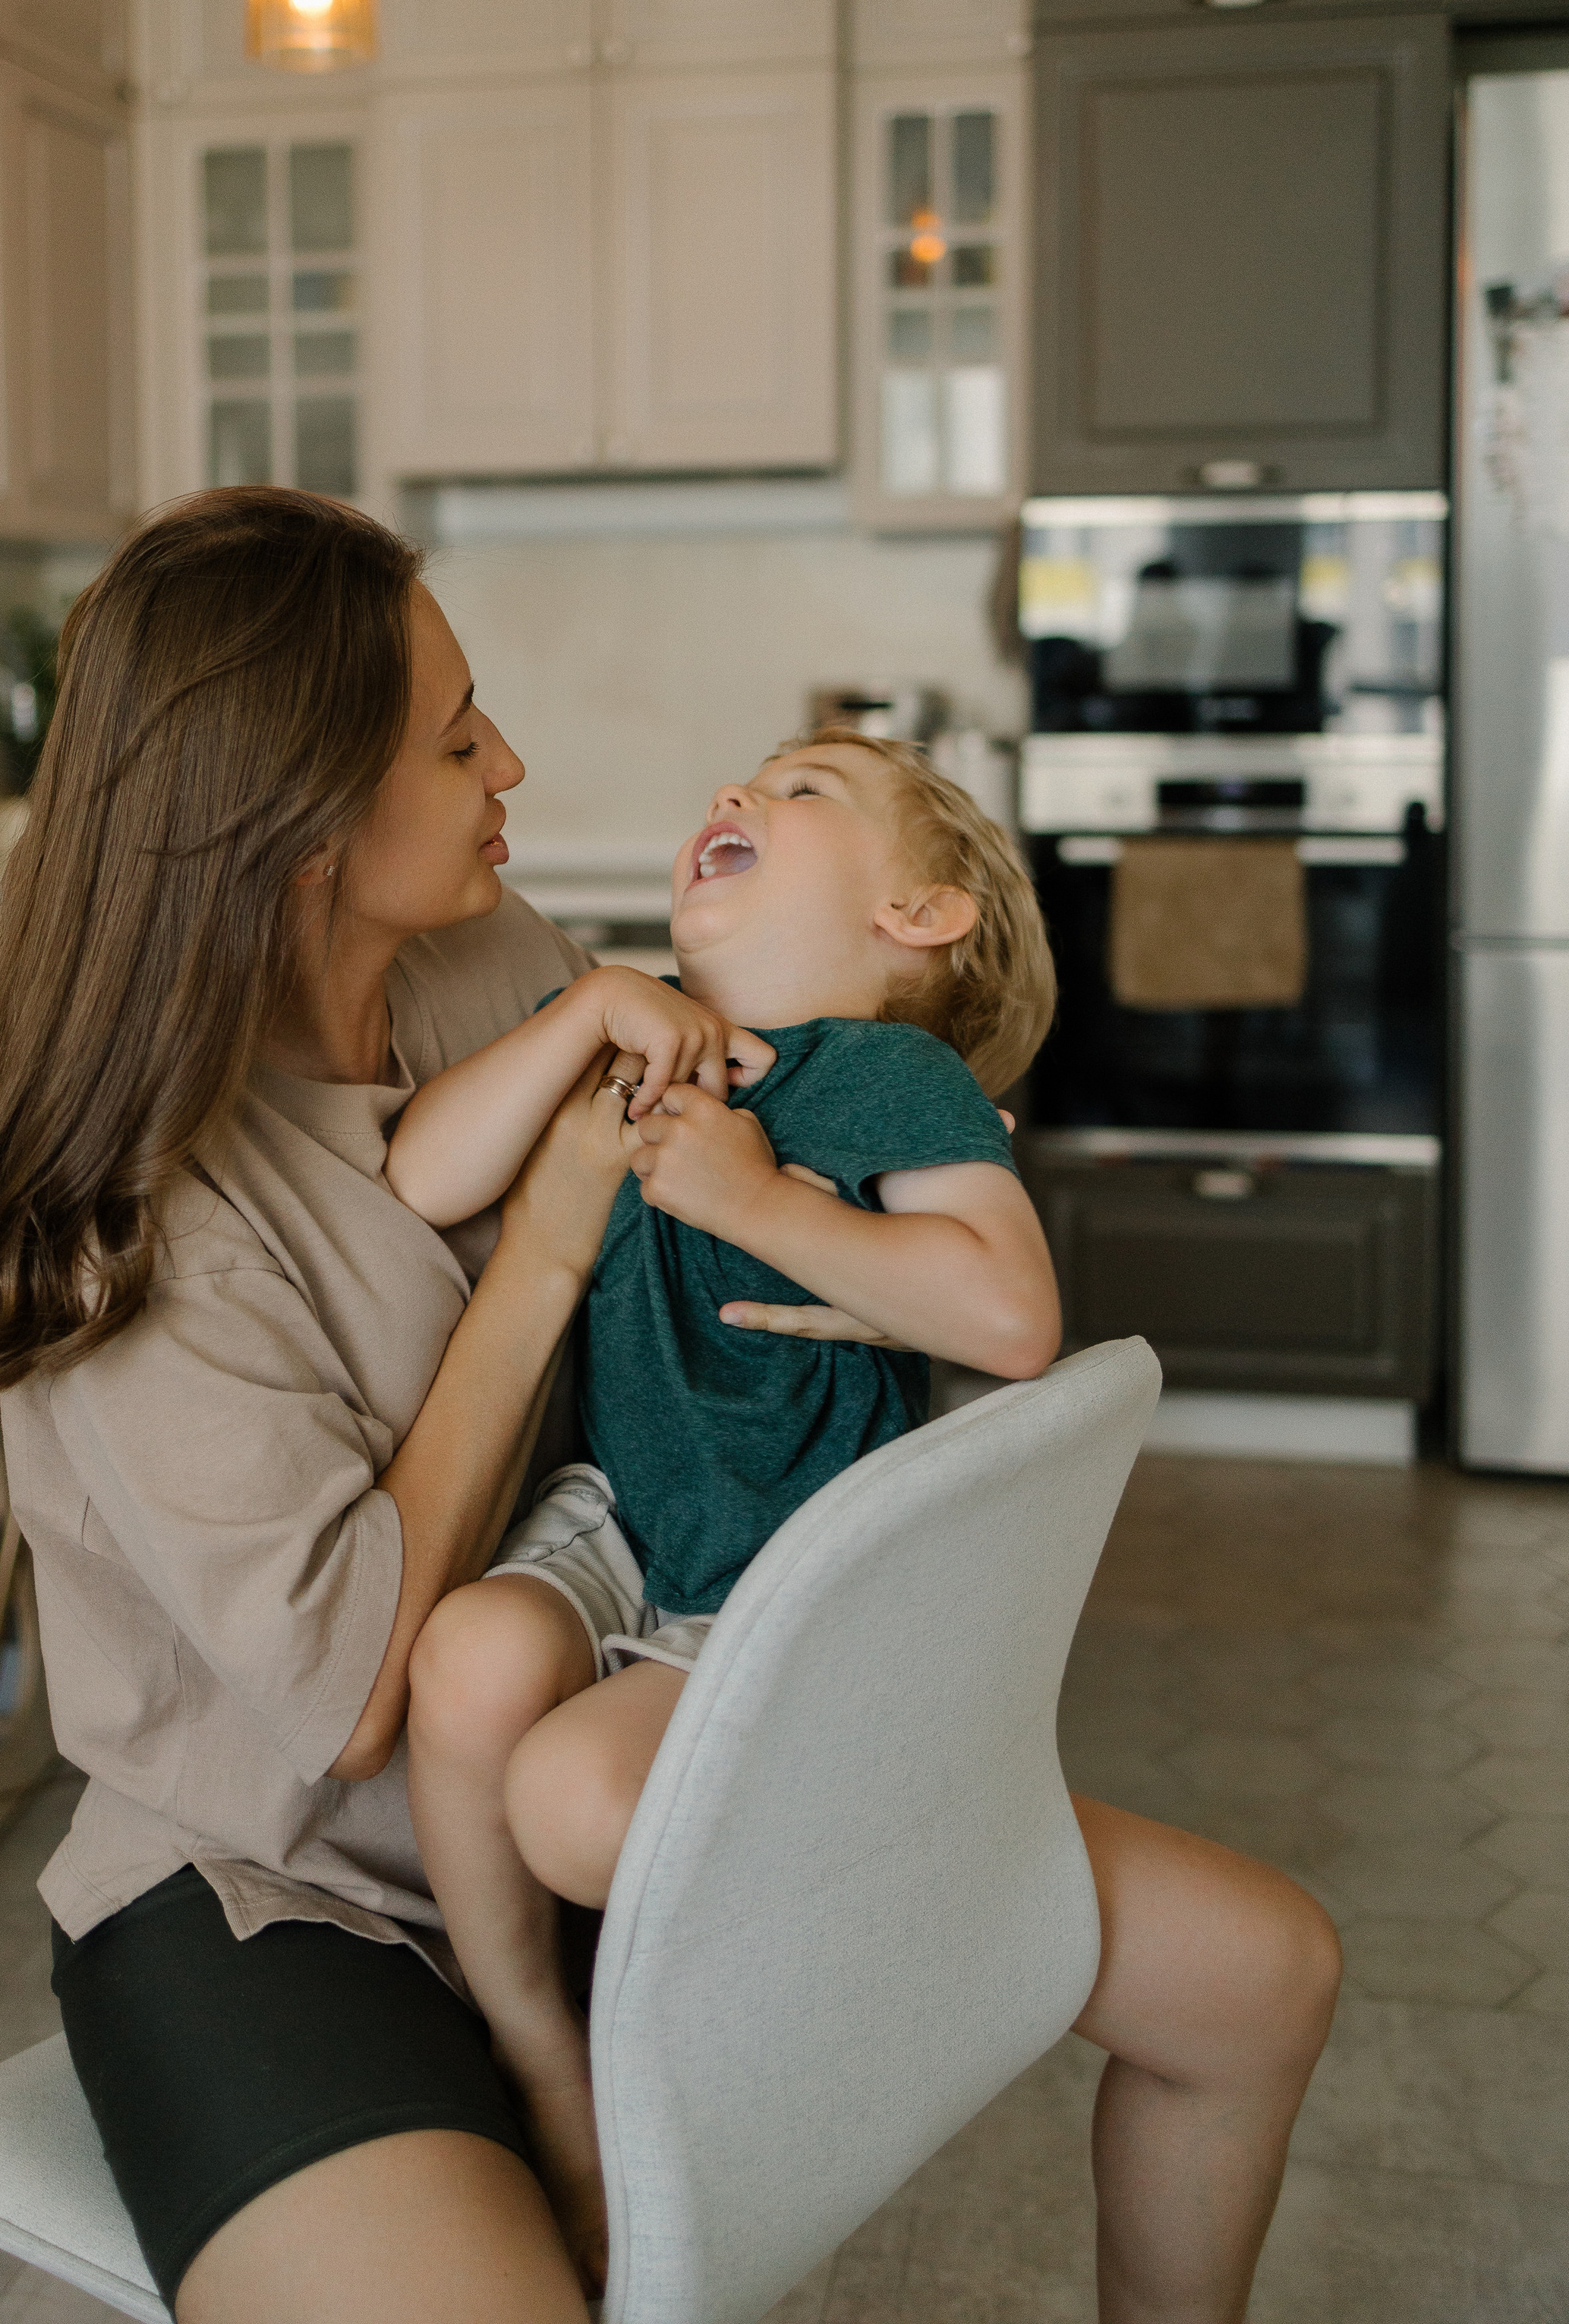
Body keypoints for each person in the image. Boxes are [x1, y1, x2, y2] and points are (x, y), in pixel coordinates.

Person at [0, 488, 1339, 2324]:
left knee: (1256, 1976)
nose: (512, 763)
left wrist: (896, 1172)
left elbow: (782, 1133)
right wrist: (550, 1248)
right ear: (307, 817)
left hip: (651, 1752)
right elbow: (342, 1699)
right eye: (457, 733)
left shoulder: (488, 961)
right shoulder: (115, 1202)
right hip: (299, 1904)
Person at [385, 732, 1063, 2285]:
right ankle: (540, 2058)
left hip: (778, 1573)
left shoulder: (889, 1075)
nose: (731, 798)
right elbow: (427, 1176)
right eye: (734, 784)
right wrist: (591, 1016)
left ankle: (717, 2047)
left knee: (568, 1801)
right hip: (619, 1516)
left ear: (919, 915)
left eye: (804, 787)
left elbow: (1011, 1318)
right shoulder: (631, 1035)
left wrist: (751, 1202)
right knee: (466, 1661)